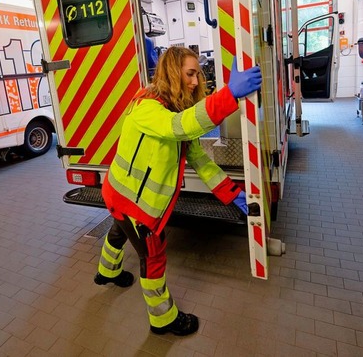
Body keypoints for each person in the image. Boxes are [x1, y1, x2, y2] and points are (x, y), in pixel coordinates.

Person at [94, 46, 262, 336]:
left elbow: (196, 156)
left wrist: (231, 192)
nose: (196, 81)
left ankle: (107, 272)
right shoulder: (147, 105)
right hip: (138, 205)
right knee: (153, 259)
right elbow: (177, 128)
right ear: (172, 72)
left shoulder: (171, 106)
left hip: (121, 195)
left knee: (119, 231)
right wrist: (228, 95)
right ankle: (164, 320)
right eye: (190, 74)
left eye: (197, 73)